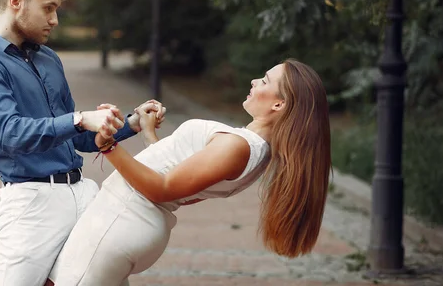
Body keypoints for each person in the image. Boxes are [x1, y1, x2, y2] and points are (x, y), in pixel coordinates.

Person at [0, 0, 166, 286]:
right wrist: (81, 118)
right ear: (16, 2)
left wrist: (132, 123)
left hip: (84, 195)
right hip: (31, 206)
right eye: (48, 8)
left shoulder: (49, 59)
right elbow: (10, 134)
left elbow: (78, 138)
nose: (55, 20)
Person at [49, 59, 332, 286]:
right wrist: (148, 133)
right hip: (128, 221)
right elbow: (178, 180)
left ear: (278, 104)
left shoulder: (239, 146)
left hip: (122, 219)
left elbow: (163, 189)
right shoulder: (255, 152)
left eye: (265, 80)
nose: (254, 81)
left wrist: (109, 146)